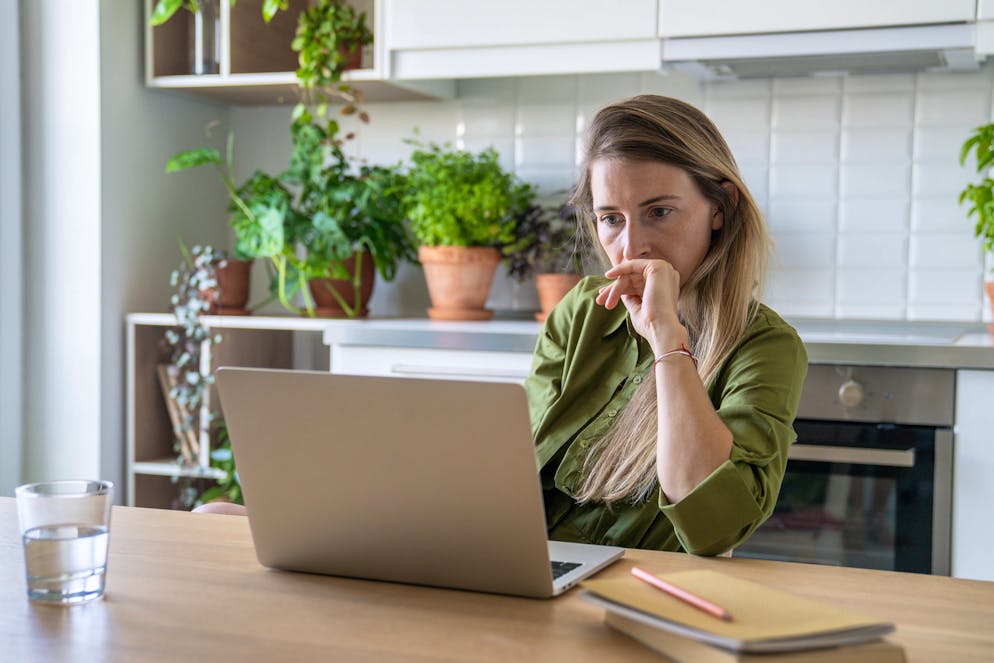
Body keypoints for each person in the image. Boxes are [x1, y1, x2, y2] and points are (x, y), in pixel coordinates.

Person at [525, 94, 806, 556]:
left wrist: (666, 341)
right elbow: (518, 469)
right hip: (535, 573)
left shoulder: (766, 346)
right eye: (611, 219)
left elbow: (715, 529)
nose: (633, 245)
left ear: (720, 206)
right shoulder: (581, 311)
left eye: (659, 212)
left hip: (652, 596)